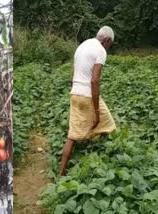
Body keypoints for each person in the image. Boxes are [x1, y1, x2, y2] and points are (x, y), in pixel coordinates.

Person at [59, 26, 116, 176]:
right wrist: (96, 112)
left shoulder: (82, 46)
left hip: (75, 93)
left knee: (72, 135)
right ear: (107, 40)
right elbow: (95, 81)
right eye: (110, 44)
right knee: (108, 124)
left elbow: (73, 73)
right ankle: (105, 159)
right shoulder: (101, 51)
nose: (109, 47)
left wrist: (74, 89)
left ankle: (61, 173)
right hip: (87, 95)